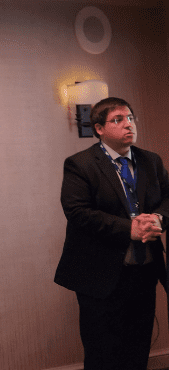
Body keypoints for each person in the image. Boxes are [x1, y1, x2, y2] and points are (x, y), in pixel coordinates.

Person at [54, 97, 169, 370]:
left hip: (143, 271)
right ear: (99, 129)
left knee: (138, 346)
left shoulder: (150, 161)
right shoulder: (80, 164)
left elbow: (168, 200)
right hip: (100, 274)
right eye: (118, 119)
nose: (128, 124)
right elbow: (77, 211)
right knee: (102, 352)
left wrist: (158, 218)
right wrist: (128, 228)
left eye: (130, 117)